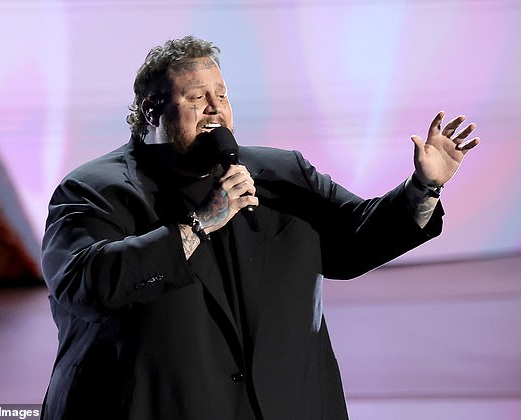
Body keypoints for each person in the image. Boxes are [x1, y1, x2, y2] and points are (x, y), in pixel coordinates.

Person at [40, 36, 480, 419]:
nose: (215, 108)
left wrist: (423, 188)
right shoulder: (94, 188)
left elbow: (355, 239)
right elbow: (81, 285)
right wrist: (197, 226)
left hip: (286, 404)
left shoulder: (282, 173)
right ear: (153, 110)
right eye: (197, 97)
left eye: (222, 94)